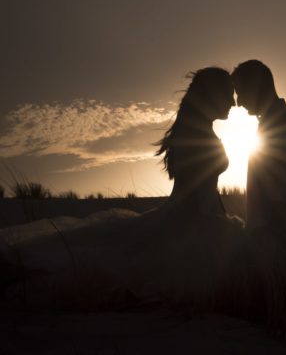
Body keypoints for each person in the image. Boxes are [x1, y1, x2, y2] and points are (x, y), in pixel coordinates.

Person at [0, 67, 246, 311]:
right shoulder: (195, 134)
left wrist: (220, 219)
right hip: (190, 219)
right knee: (112, 265)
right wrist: (212, 227)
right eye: (228, 94)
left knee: (114, 255)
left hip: (197, 216)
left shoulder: (200, 130)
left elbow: (206, 189)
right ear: (211, 94)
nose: (233, 103)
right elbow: (195, 193)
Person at [231, 60, 286, 334]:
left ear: (257, 87)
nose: (238, 103)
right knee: (269, 312)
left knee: (277, 317)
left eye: (241, 92)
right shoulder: (274, 122)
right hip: (272, 230)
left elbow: (282, 183)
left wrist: (267, 233)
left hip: (278, 231)